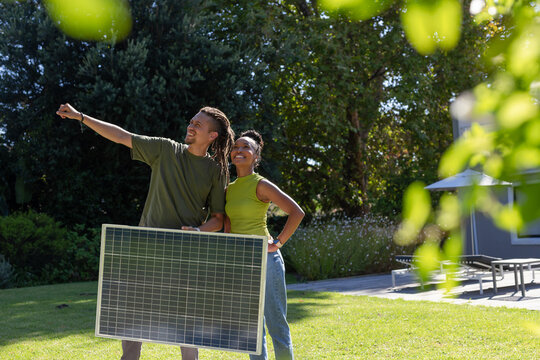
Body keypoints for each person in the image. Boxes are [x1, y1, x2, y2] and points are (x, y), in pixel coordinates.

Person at [56, 103, 235, 360]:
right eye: (192, 121)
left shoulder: (216, 171)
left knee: (186, 325)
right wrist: (82, 117)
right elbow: (121, 135)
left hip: (183, 254)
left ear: (212, 136)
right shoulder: (165, 149)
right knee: (131, 321)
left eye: (198, 124)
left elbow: (218, 219)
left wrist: (198, 230)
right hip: (145, 249)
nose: (190, 125)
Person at [224, 130, 304, 360]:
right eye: (236, 147)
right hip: (240, 262)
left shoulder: (261, 184)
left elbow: (296, 212)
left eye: (246, 147)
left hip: (265, 259)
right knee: (251, 329)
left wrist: (278, 243)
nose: (239, 150)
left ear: (256, 156)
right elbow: (229, 225)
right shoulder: (229, 188)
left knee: (276, 324)